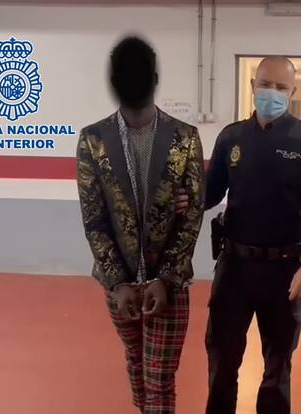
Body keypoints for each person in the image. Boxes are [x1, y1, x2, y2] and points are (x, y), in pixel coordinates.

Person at [178, 56, 301, 414]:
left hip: (285, 272)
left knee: (276, 371)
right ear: (253, 86)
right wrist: (184, 197)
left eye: (281, 87)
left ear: (292, 92)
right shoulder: (232, 137)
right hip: (234, 268)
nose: (272, 93)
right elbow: (210, 193)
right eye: (266, 84)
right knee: (221, 364)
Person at [76, 36, 205, 414]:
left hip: (169, 282)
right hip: (120, 284)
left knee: (159, 377)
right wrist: (117, 283)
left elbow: (192, 213)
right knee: (136, 365)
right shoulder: (93, 140)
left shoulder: (185, 138)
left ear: (154, 79)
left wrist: (165, 278)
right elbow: (94, 219)